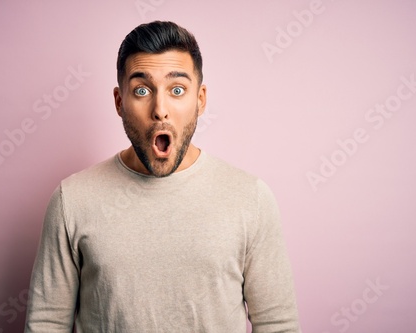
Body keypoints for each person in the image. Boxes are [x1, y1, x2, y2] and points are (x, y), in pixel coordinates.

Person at [24, 20, 299, 332]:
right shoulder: (71, 201)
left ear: (200, 99)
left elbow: (279, 325)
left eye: (177, 90)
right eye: (141, 90)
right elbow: (46, 324)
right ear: (119, 102)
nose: (160, 109)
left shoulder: (251, 198)